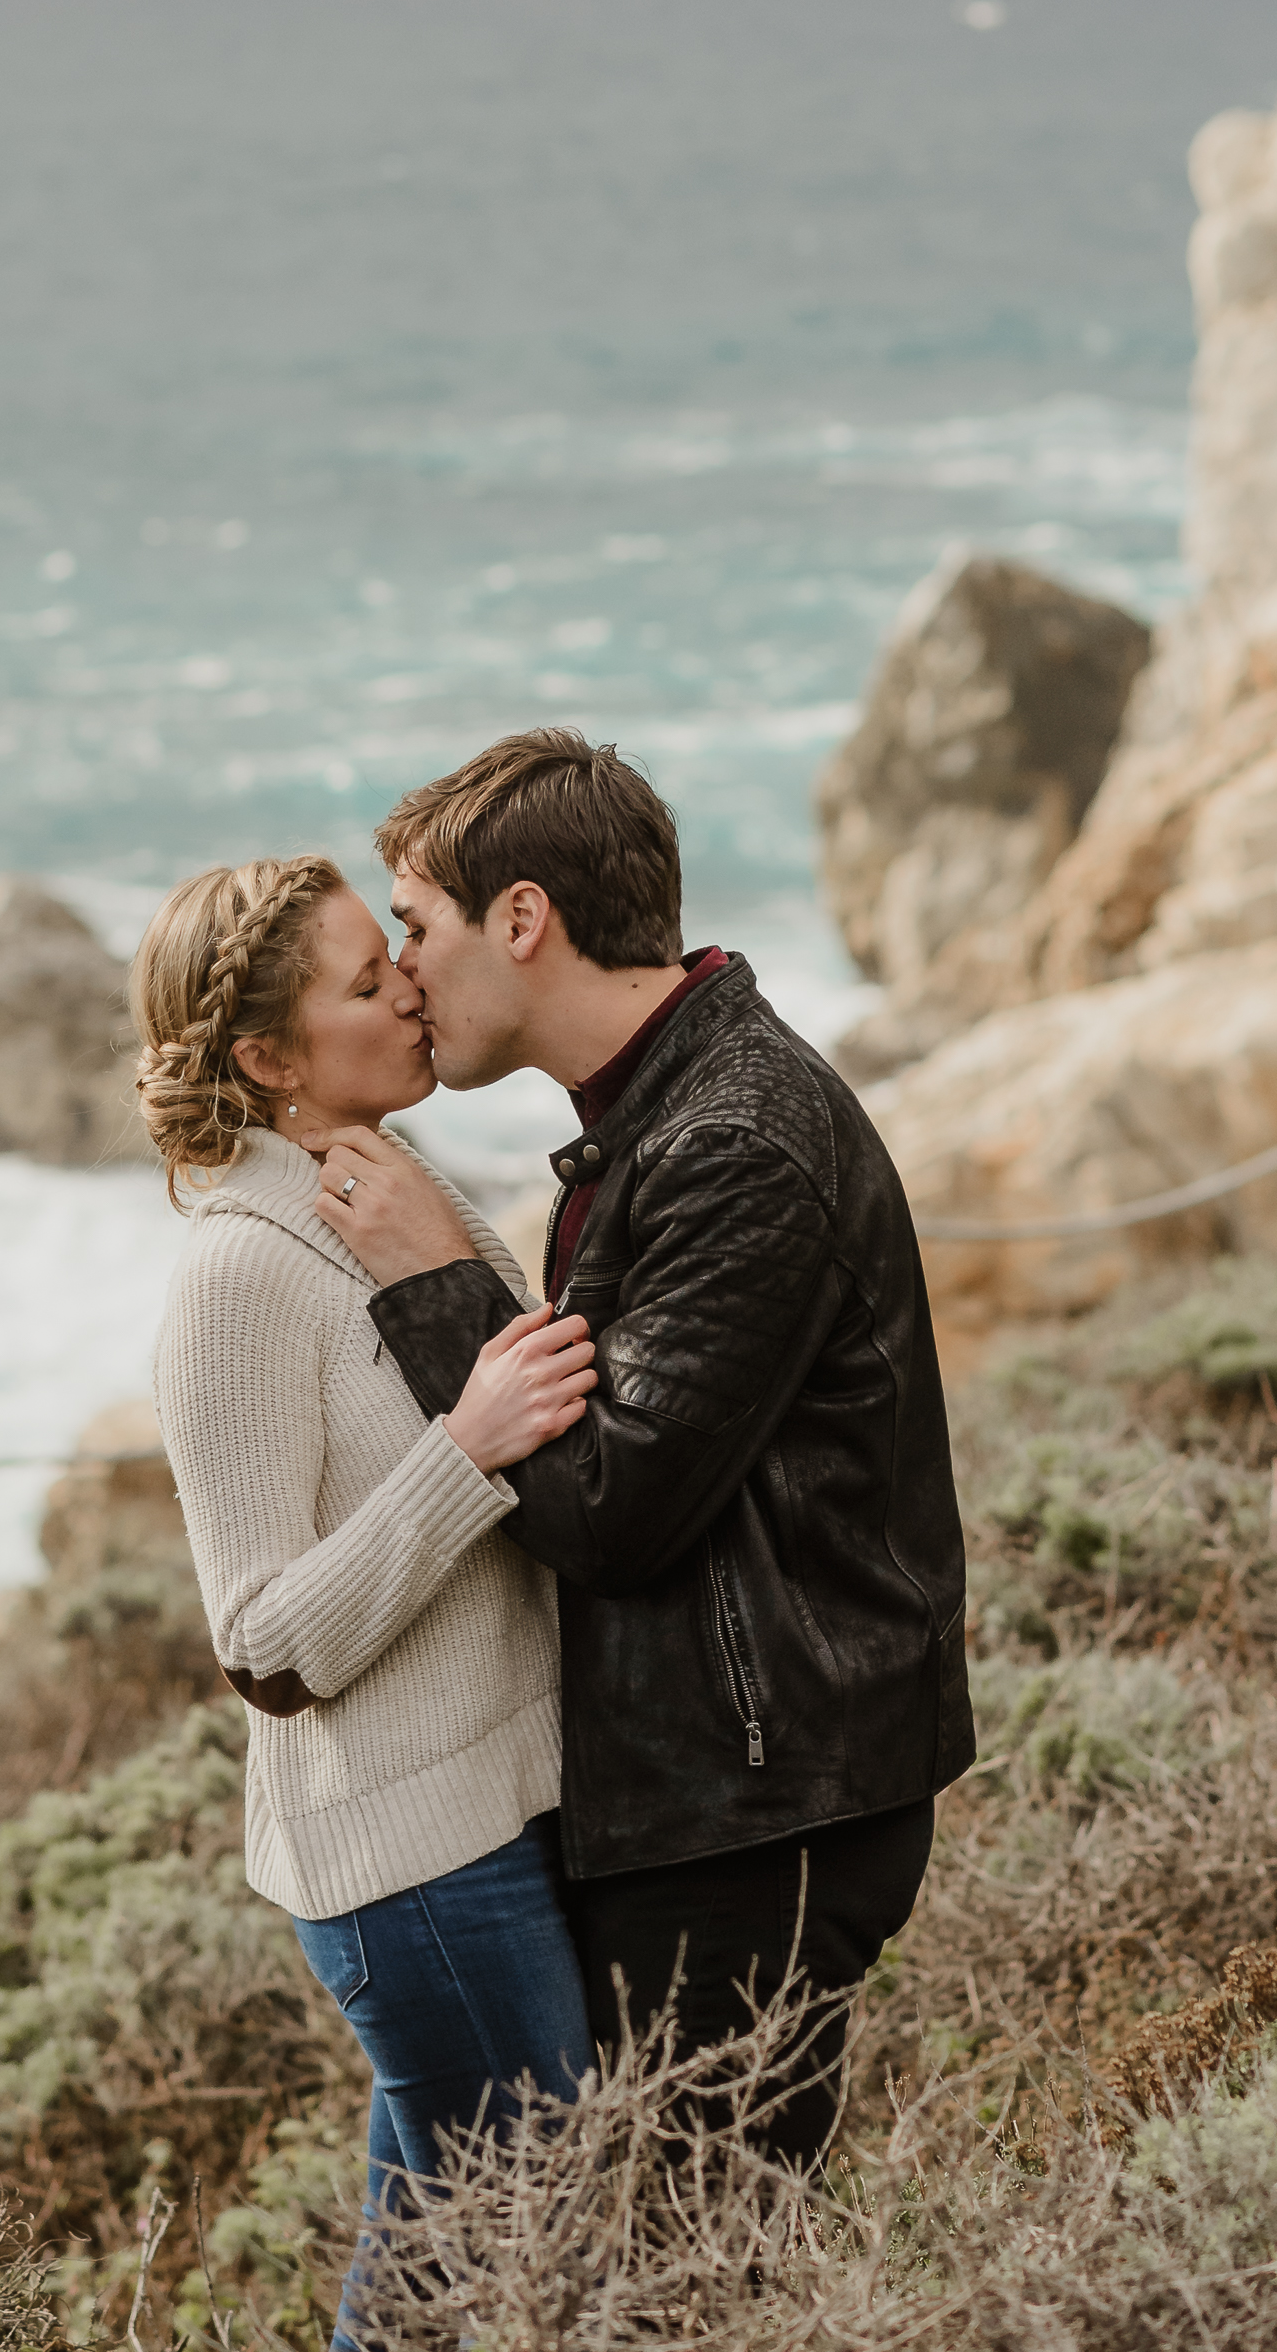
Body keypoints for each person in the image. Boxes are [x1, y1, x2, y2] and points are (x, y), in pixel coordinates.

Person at [314, 730, 973, 2167]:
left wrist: (438, 1283)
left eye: (417, 926)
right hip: (726, 1792)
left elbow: (610, 1504)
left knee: (687, 2284)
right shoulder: (659, 1111)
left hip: (759, 1811)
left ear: (525, 918)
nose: (405, 969)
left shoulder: (733, 1135)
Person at [135, 851, 599, 2349]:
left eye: (387, 952)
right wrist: (465, 1449)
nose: (408, 980)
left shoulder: (391, 1184)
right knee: (539, 2248)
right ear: (269, 1060)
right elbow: (264, 1647)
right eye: (361, 979)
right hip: (411, 1868)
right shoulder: (237, 1277)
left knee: (435, 2289)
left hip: (494, 1823)